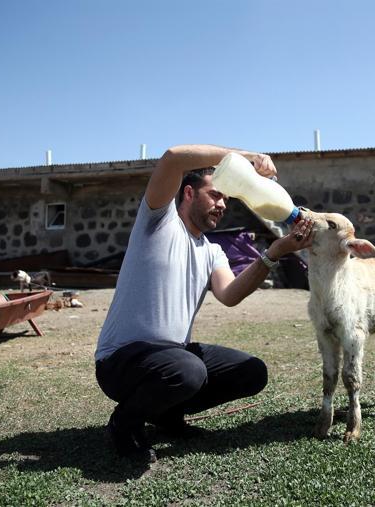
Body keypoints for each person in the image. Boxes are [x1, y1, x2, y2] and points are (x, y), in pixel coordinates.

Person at [94, 144, 314, 462]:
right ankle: (124, 423)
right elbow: (172, 158)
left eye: (226, 198)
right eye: (215, 195)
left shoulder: (212, 251)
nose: (222, 204)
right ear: (187, 194)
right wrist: (245, 158)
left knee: (251, 372)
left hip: (171, 359)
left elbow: (230, 294)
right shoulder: (158, 221)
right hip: (120, 363)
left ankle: (166, 415)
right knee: (188, 371)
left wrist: (275, 253)